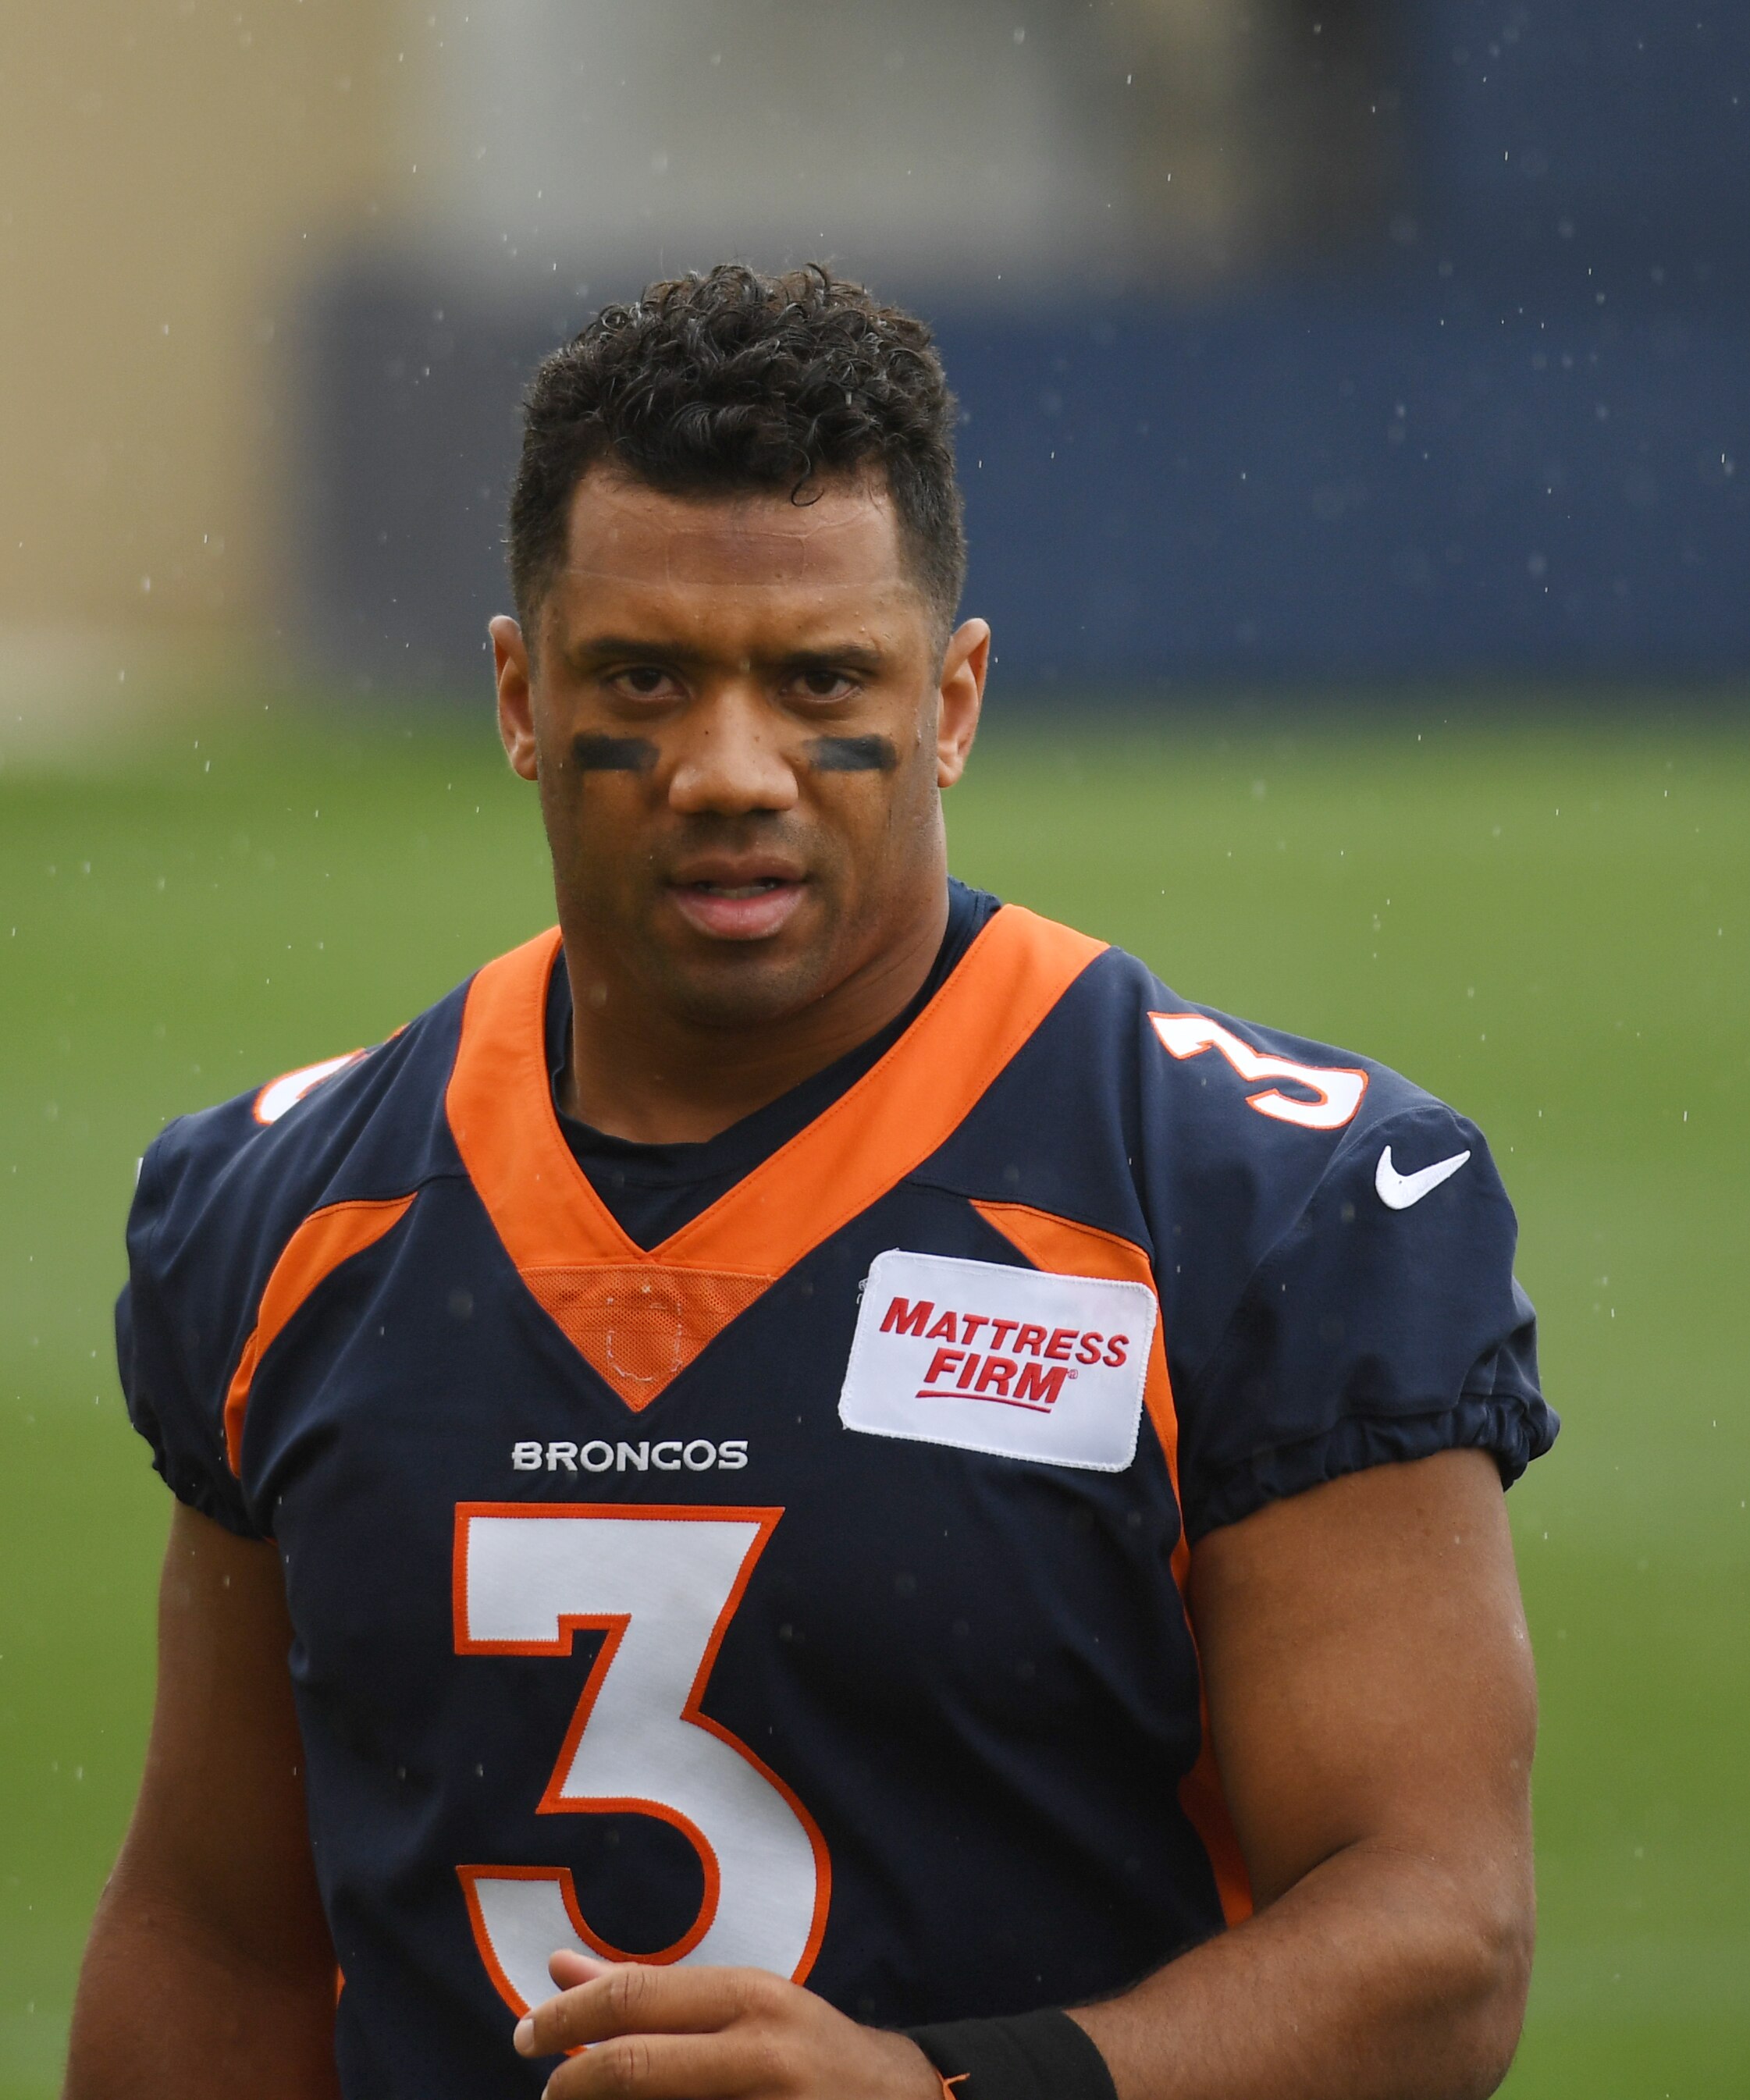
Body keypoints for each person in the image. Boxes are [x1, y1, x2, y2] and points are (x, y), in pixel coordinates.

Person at [68, 263, 1553, 2100]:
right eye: (646, 677)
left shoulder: (1267, 1199)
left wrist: (947, 2092)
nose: (728, 769)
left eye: (819, 679)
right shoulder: (291, 1210)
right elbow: (220, 1941)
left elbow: (1436, 1935)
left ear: (953, 700)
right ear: (523, 695)